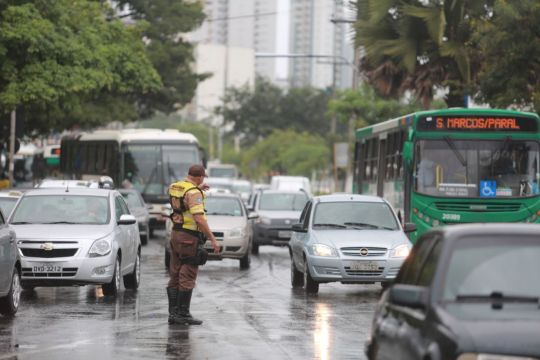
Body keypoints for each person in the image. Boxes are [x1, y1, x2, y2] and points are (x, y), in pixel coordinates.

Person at [166, 164, 220, 325]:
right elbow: (198, 218)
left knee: (175, 273)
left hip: (176, 234)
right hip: (189, 237)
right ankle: (182, 313)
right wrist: (212, 238)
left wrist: (198, 188)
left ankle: (173, 314)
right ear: (200, 177)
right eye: (203, 177)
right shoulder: (194, 193)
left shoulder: (175, 186)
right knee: (188, 274)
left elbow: (183, 200)